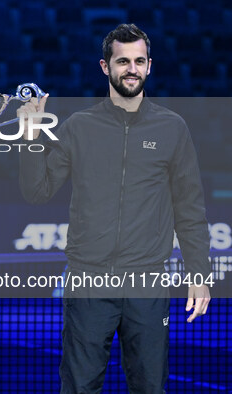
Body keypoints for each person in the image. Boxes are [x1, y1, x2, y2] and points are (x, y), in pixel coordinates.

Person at [18, 24, 211, 393]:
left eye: (139, 61)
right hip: (88, 283)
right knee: (78, 388)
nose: (132, 69)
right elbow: (37, 192)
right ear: (105, 67)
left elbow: (190, 208)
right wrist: (30, 136)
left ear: (150, 66)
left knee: (150, 387)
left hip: (148, 284)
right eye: (123, 61)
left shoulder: (173, 128)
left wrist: (198, 273)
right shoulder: (79, 127)